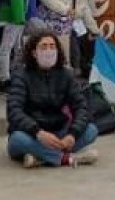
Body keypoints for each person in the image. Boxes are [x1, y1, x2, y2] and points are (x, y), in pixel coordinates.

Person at [6, 32, 100, 168]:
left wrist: (72, 134)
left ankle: (41, 157)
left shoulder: (66, 74)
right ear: (34, 52)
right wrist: (38, 132)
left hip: (59, 133)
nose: (48, 50)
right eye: (43, 47)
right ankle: (67, 159)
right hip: (32, 134)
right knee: (18, 139)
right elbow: (14, 111)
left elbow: (81, 107)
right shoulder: (21, 76)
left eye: (52, 46)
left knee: (91, 130)